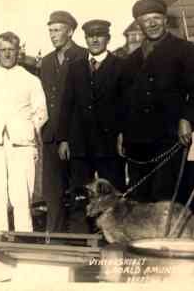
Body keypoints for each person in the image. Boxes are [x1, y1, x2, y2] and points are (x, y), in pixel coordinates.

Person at [118, 0, 194, 202]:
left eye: (156, 18)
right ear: (138, 24)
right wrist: (122, 133)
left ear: (165, 20)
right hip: (136, 142)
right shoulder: (130, 60)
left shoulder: (184, 50)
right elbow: (124, 102)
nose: (151, 24)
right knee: (137, 198)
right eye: (145, 20)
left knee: (165, 197)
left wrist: (187, 119)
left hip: (169, 139)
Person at [0, 32, 48, 240]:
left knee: (22, 196)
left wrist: (27, 130)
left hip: (21, 145)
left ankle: (25, 241)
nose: (7, 54)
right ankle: (0, 241)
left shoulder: (31, 80)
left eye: (11, 50)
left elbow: (41, 112)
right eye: (3, 49)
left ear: (18, 52)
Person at [57, 20, 126, 233]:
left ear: (108, 39)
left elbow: (127, 104)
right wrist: (63, 139)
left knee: (112, 193)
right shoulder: (76, 67)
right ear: (85, 39)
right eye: (90, 36)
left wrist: (123, 135)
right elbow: (67, 104)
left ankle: (111, 239)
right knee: (80, 193)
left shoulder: (120, 66)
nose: (95, 39)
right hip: (80, 143)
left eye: (100, 35)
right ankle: (81, 237)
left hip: (109, 145)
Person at [38, 11, 87, 233]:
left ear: (70, 31)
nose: (53, 35)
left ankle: (78, 238)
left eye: (57, 30)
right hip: (50, 137)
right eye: (50, 30)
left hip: (77, 136)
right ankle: (54, 237)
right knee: (52, 192)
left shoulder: (84, 56)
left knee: (78, 189)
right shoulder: (46, 62)